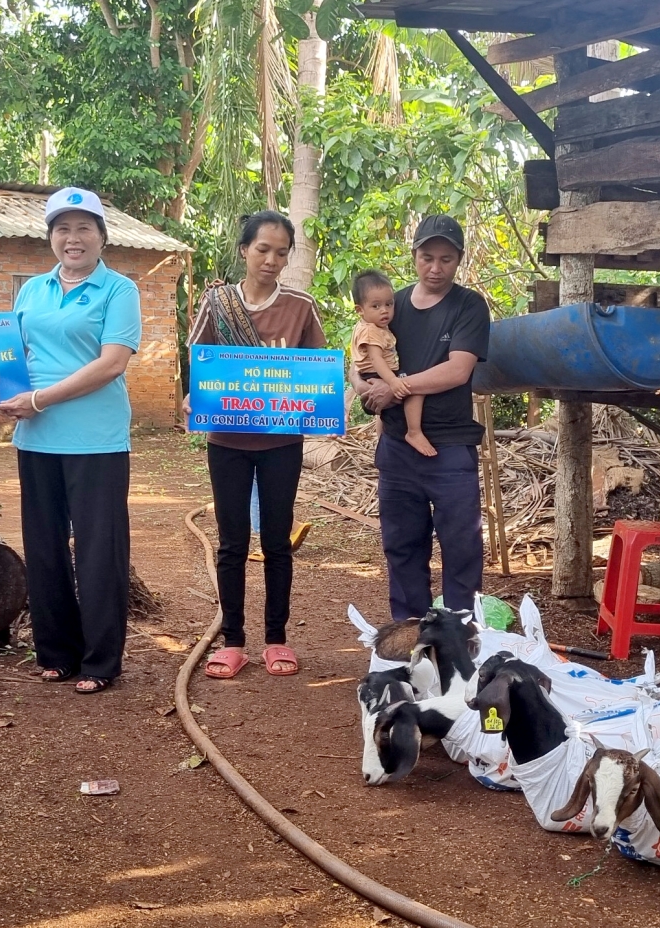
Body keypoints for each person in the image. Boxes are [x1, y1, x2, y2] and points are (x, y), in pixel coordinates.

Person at [0, 187, 140, 694]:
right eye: (62, 228)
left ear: (101, 236)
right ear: (50, 236)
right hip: (36, 439)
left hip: (96, 440)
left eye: (83, 228)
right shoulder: (32, 290)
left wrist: (38, 400)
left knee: (100, 550)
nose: (72, 238)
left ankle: (101, 662)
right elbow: (11, 355)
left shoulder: (119, 290)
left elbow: (111, 364)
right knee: (45, 546)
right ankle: (56, 652)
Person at [184, 210, 325, 679]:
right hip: (227, 439)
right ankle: (234, 642)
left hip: (281, 443)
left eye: (281, 252)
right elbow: (200, 362)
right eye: (262, 249)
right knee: (231, 543)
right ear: (244, 250)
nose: (271, 259)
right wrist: (191, 396)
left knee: (278, 543)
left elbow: (315, 372)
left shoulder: (301, 307)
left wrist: (325, 404)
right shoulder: (217, 303)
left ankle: (276, 639)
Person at [349, 215, 489, 622]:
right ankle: (409, 637)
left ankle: (460, 639)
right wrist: (362, 386)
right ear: (414, 256)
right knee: (402, 548)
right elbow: (359, 357)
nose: (435, 268)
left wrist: (396, 388)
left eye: (446, 258)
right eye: (427, 257)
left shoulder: (468, 305)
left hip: (450, 449)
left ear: (458, 259)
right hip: (396, 449)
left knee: (462, 548)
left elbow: (457, 371)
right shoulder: (392, 306)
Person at [349, 270, 434, 457]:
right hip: (378, 374)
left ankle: (382, 440)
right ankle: (414, 432)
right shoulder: (371, 331)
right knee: (416, 389)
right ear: (360, 310)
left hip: (374, 374)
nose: (384, 310)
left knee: (385, 412)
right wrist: (393, 382)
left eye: (389, 304)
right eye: (376, 306)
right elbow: (376, 359)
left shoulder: (370, 326)